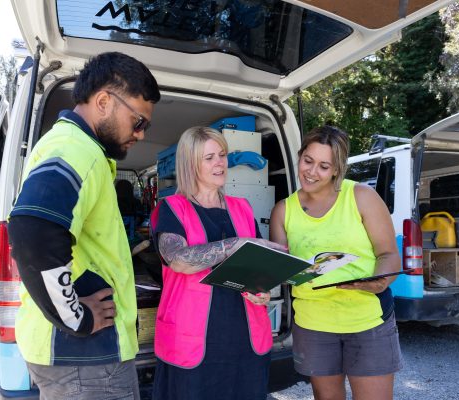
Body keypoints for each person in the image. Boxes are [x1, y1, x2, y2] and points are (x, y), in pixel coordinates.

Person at [8, 52, 160, 399]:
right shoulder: (78, 150)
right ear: (104, 101)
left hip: (78, 358)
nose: (140, 134)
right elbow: (33, 230)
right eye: (138, 121)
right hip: (85, 360)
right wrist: (76, 317)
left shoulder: (76, 147)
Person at [150, 126, 285, 400]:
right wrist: (234, 244)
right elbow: (178, 260)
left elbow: (256, 263)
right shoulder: (171, 208)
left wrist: (263, 291)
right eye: (209, 157)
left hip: (244, 338)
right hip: (195, 340)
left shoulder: (242, 207)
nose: (220, 163)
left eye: (222, 155)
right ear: (191, 164)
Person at [270, 125, 403, 400]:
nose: (311, 171)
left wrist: (380, 282)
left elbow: (389, 254)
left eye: (323, 166)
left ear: (336, 169)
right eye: (308, 161)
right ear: (299, 156)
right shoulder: (283, 210)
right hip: (313, 324)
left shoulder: (362, 197)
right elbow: (279, 268)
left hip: (366, 321)